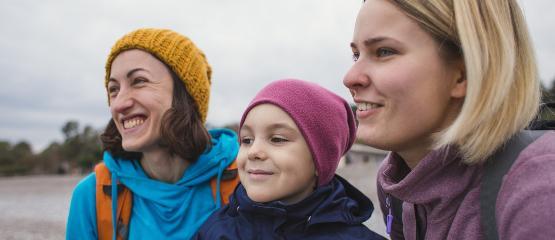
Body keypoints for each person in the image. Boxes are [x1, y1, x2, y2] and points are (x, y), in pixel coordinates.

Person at [343, 0, 555, 239]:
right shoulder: (396, 187)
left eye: (384, 51)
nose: (350, 78)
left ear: (463, 74)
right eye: (356, 55)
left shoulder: (540, 190)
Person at [66, 28, 239, 240]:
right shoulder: (93, 197)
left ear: (185, 95)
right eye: (114, 89)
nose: (119, 103)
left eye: (139, 81)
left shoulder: (244, 184)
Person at [194, 79, 386, 240]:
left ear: (321, 161)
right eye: (247, 140)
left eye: (277, 139)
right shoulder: (216, 230)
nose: (254, 151)